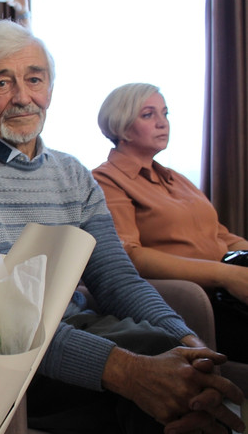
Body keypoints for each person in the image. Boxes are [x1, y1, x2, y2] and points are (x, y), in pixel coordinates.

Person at [0, 20, 245, 433]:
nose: (22, 97)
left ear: (49, 89)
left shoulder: (73, 175)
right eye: (1, 83)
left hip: (81, 335)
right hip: (10, 357)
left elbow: (116, 279)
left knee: (181, 364)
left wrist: (186, 340)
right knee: (168, 373)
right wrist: (128, 370)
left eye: (34, 79)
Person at [93, 82, 248, 364]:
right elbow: (128, 255)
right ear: (122, 127)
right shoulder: (106, 180)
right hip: (201, 296)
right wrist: (226, 275)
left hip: (231, 282)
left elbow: (221, 236)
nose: (163, 124)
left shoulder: (176, 178)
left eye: (165, 114)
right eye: (149, 115)